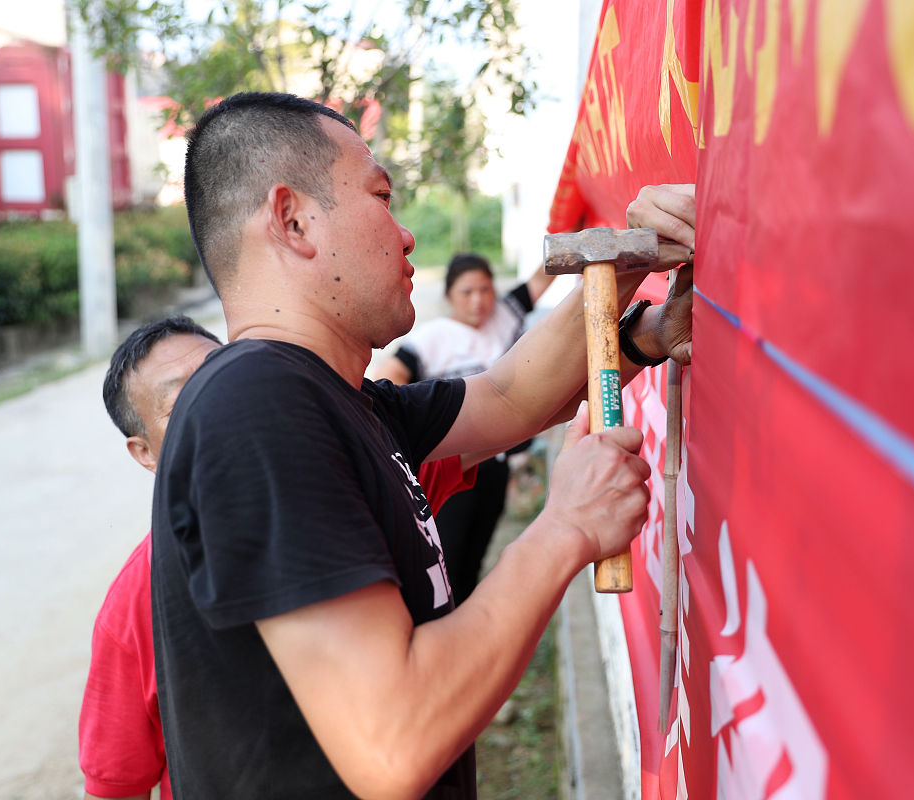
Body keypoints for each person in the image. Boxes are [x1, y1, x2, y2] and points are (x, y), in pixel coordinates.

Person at [153, 91, 695, 799]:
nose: (407, 234)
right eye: (381, 197)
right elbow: (393, 741)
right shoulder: (257, 407)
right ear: (292, 220)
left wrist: (624, 273)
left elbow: (509, 396)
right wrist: (565, 528)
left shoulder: (335, 400)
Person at [78, 316, 480, 800]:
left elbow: (509, 403)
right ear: (144, 452)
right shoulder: (131, 604)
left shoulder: (349, 484)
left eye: (217, 379)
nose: (215, 408)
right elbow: (115, 786)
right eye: (180, 402)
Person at [373, 254, 555, 600]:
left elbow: (542, 278)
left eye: (486, 289)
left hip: (497, 464)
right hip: (453, 466)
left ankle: (465, 617)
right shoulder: (431, 338)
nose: (478, 300)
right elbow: (389, 377)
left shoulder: (504, 316)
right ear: (449, 296)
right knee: (447, 559)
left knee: (475, 556)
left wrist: (573, 224)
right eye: (467, 291)